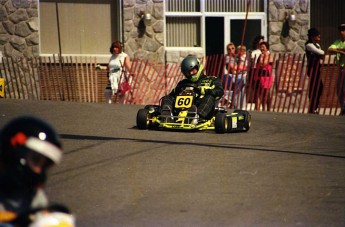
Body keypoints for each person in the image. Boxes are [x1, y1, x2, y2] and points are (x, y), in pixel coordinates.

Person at [0, 116, 74, 226]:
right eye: (35, 160)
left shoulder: (34, 196)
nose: (39, 170)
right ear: (15, 154)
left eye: (44, 164)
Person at [161, 55, 224, 123]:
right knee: (167, 97)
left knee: (209, 98)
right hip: (180, 108)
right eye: (188, 72)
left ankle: (196, 117)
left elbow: (220, 91)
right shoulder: (183, 83)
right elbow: (172, 95)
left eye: (193, 70)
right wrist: (176, 91)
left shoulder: (212, 80)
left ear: (198, 67)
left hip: (201, 106)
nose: (191, 73)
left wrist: (205, 91)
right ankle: (168, 116)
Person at [305, 28, 325, 114]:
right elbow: (321, 53)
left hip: (318, 68)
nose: (319, 36)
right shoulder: (309, 45)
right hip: (312, 68)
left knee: (320, 87)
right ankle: (312, 107)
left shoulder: (317, 45)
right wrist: (320, 53)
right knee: (314, 87)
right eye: (317, 35)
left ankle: (316, 107)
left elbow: (321, 53)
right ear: (313, 36)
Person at [222, 44, 247, 109]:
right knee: (238, 90)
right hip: (231, 77)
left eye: (232, 48)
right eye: (229, 49)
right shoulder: (227, 57)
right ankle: (236, 105)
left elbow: (244, 67)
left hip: (238, 76)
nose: (231, 50)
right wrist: (240, 69)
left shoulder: (237, 57)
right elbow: (233, 68)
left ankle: (242, 106)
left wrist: (239, 69)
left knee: (242, 89)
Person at [328, 23, 345, 115]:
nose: (342, 32)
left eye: (344, 30)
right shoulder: (338, 41)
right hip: (341, 68)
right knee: (339, 88)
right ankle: (343, 107)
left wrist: (339, 50)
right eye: (341, 30)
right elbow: (330, 49)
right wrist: (340, 50)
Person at [254, 41, 274, 111]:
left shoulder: (269, 56)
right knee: (259, 93)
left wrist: (262, 57)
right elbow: (259, 64)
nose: (261, 48)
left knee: (266, 94)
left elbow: (264, 64)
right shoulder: (260, 55)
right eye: (261, 47)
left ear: (266, 48)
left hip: (266, 77)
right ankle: (258, 108)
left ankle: (268, 108)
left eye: (263, 47)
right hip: (259, 76)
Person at [248, 35, 264, 105]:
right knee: (256, 90)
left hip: (262, 71)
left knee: (262, 90)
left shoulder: (265, 52)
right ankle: (257, 105)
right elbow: (249, 63)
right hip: (254, 71)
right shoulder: (252, 52)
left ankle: (261, 105)